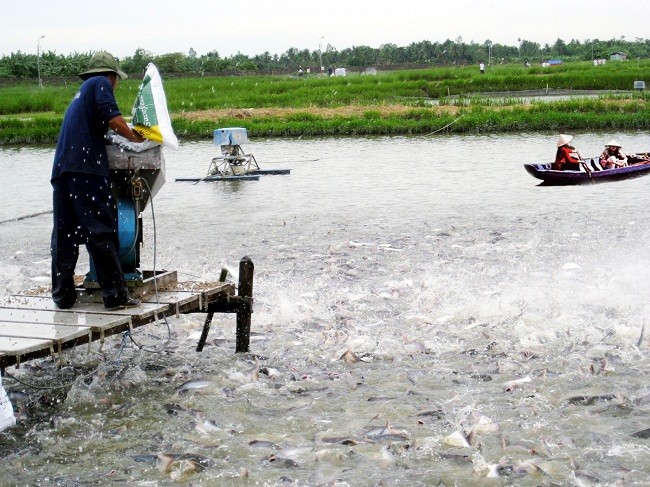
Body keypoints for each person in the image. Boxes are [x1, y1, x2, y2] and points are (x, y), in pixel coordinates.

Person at [50, 51, 144, 311]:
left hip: (62, 171)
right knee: (100, 230)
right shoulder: (99, 84)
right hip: (87, 170)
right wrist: (136, 138)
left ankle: (63, 296)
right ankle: (115, 296)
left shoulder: (80, 94)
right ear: (112, 77)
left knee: (64, 233)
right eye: (117, 80)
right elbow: (113, 119)